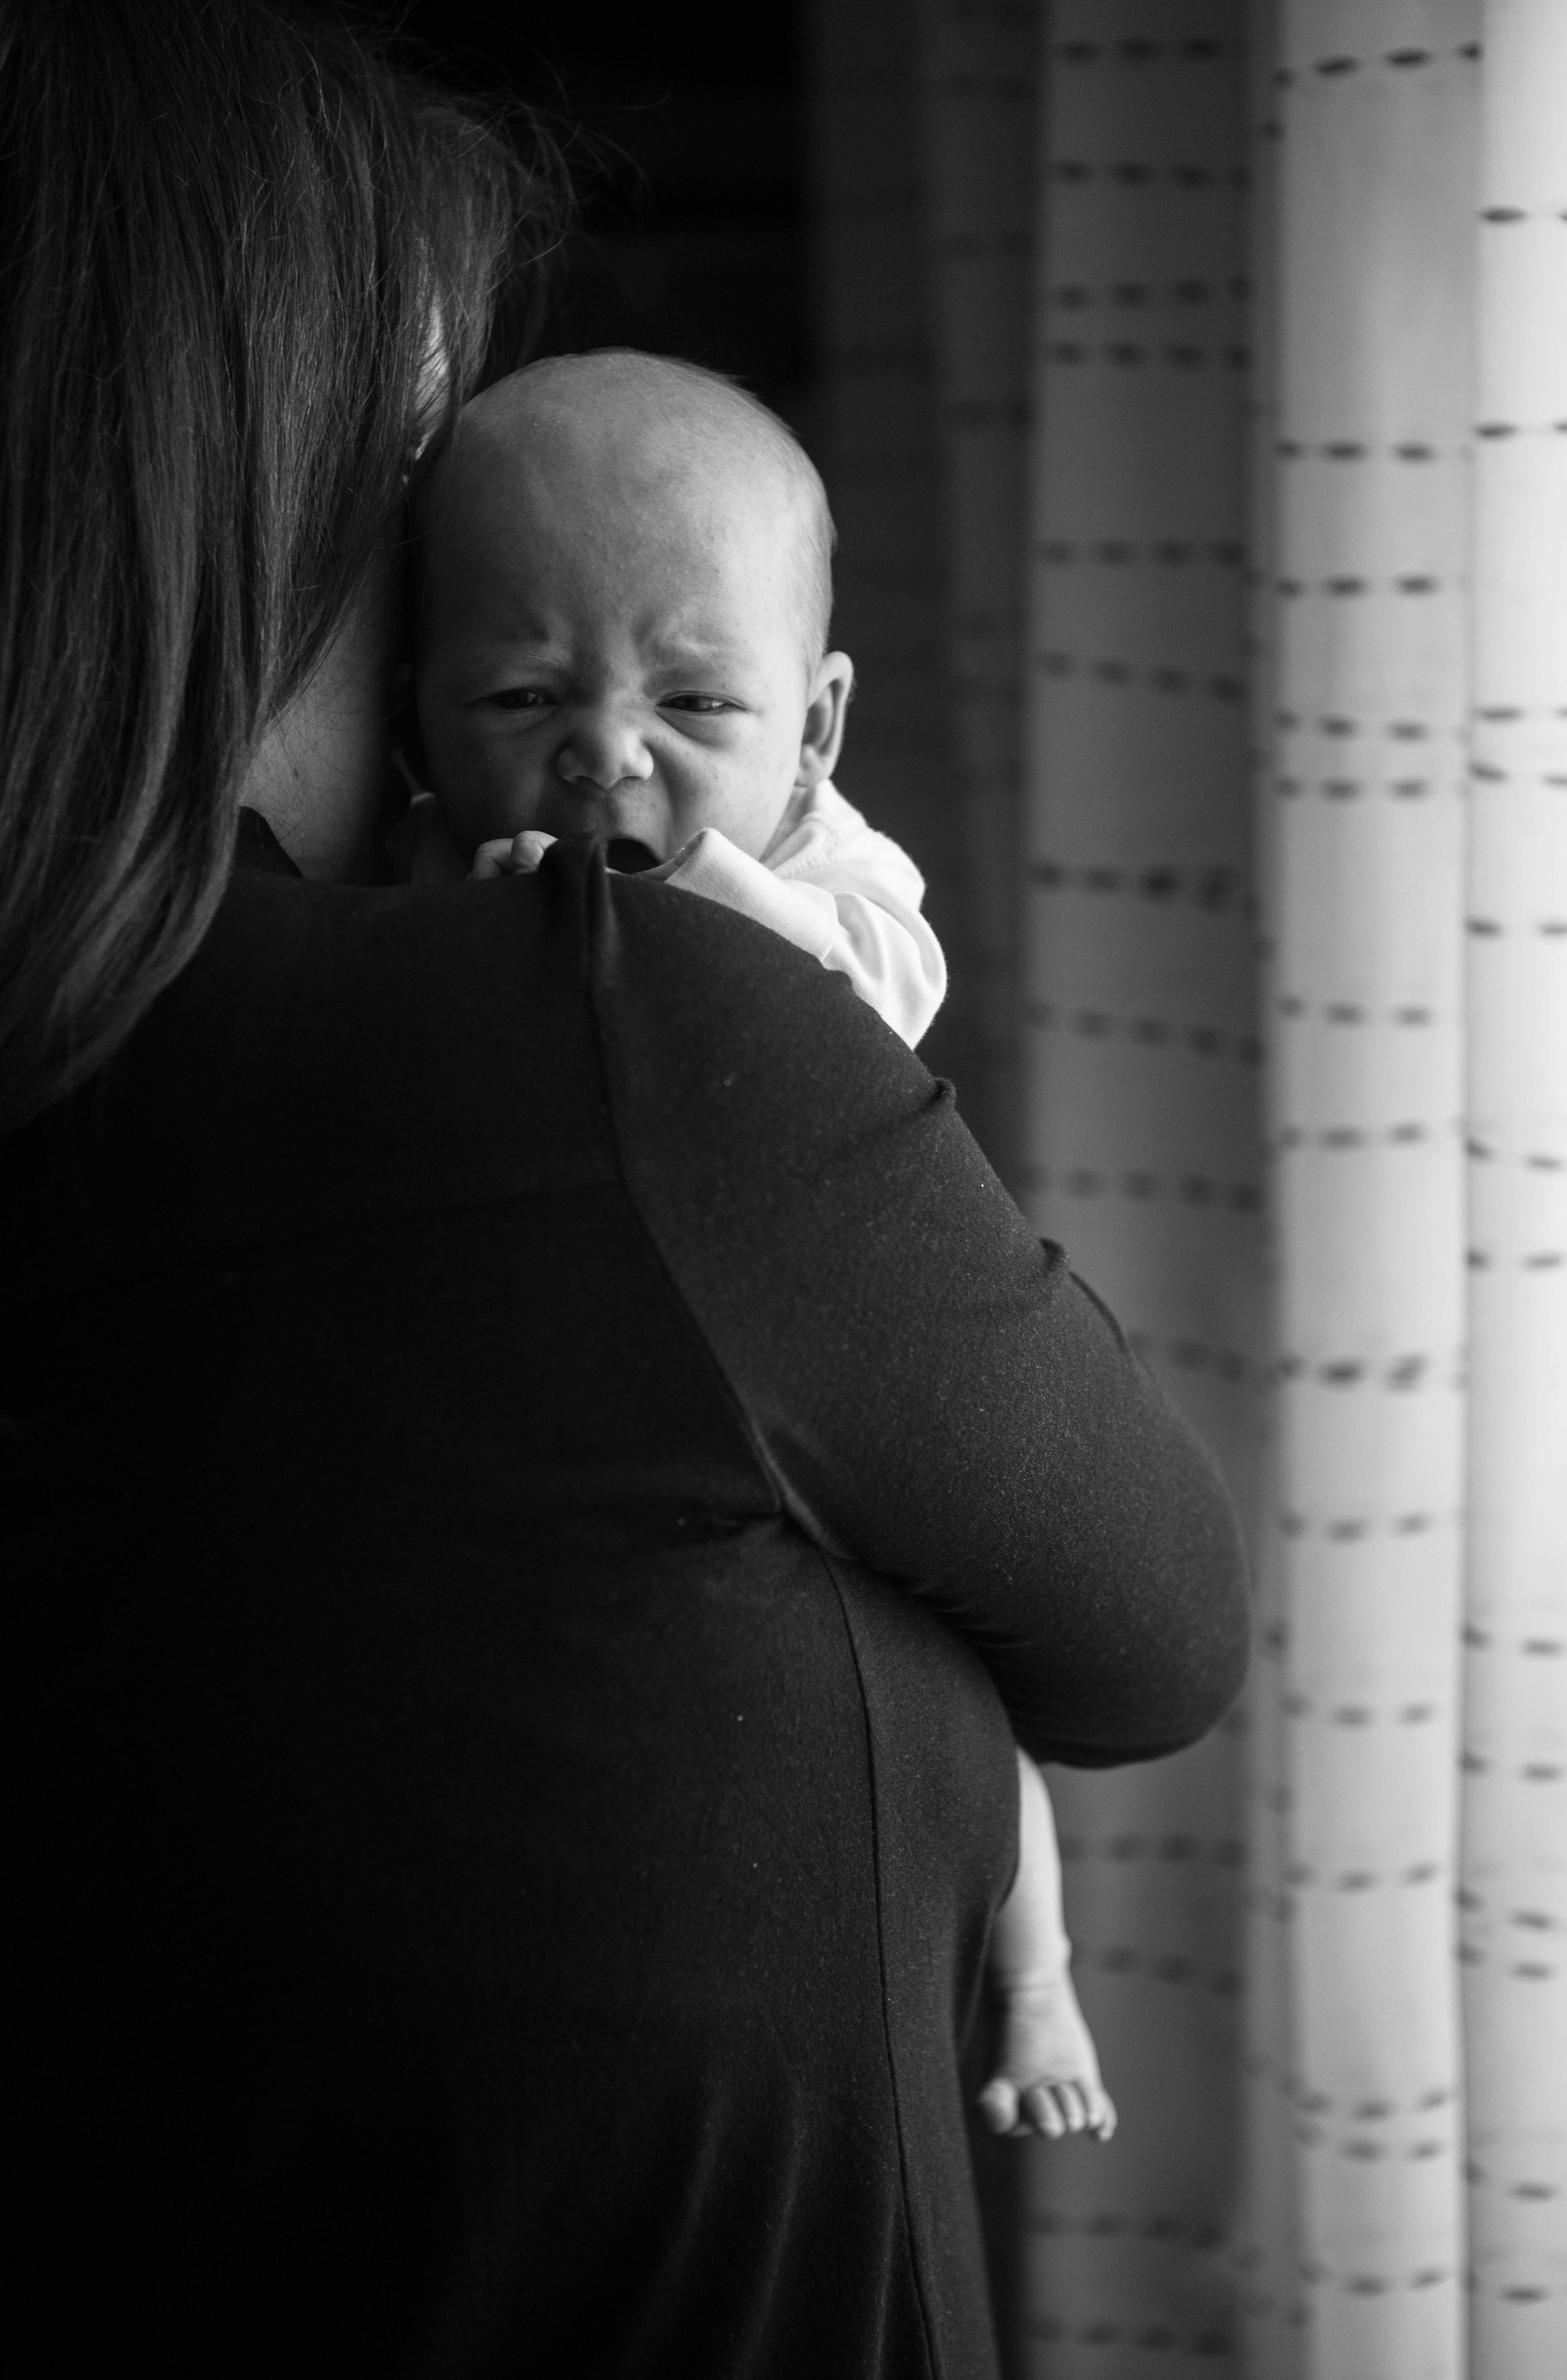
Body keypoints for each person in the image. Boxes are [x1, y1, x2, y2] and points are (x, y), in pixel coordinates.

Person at [0, 7, 1248, 2377]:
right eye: (424, 507)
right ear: (258, 534)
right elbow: (1160, 1626)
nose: (604, 761)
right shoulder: (596, 1030)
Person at [402, 348, 1114, 2143]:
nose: (607, 751)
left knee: (972, 1683)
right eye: (520, 691)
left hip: (852, 1400)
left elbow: (857, 1015)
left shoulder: (838, 877)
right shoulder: (415, 881)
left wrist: (670, 907)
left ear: (816, 726)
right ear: (415, 709)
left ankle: (1037, 1983)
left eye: (696, 704)